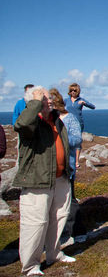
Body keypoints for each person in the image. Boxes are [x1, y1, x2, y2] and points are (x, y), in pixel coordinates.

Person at [14, 86, 75, 276]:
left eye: (48, 98)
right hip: (37, 180)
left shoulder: (55, 119)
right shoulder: (31, 122)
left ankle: (54, 253)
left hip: (60, 178)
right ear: (32, 102)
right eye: (43, 99)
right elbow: (22, 124)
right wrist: (34, 103)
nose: (48, 101)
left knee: (59, 217)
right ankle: (31, 266)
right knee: (36, 223)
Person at [49, 88, 83, 244]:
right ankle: (56, 233)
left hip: (66, 165)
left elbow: (76, 140)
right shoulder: (47, 120)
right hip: (50, 169)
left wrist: (59, 139)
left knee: (70, 198)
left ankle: (75, 231)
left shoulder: (69, 119)